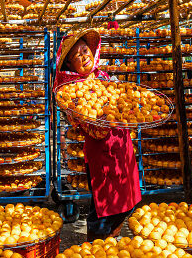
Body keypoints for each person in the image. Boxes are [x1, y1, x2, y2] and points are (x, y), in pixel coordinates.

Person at [54, 30, 141, 239]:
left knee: (127, 202)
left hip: (122, 147)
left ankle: (111, 240)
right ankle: (95, 248)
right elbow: (85, 124)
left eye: (85, 50)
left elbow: (123, 105)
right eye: (77, 56)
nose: (84, 56)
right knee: (104, 208)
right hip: (102, 152)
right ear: (70, 65)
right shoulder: (71, 90)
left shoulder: (103, 77)